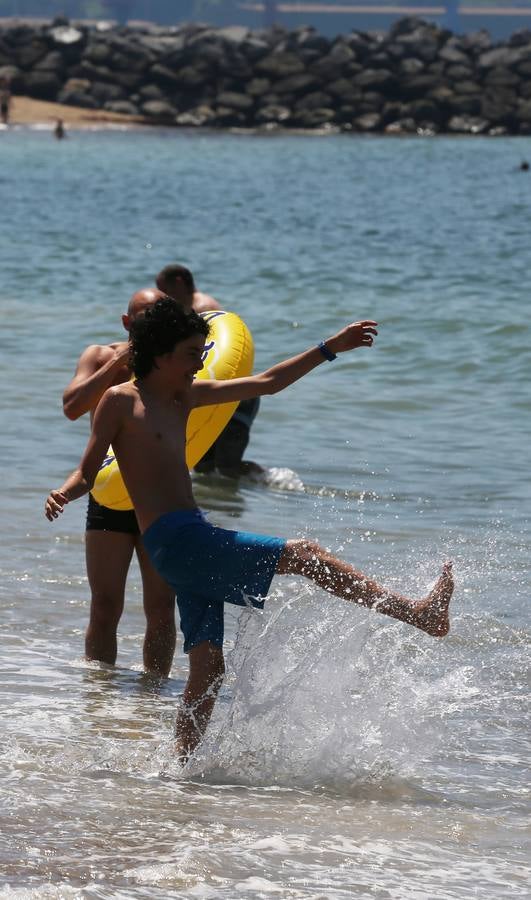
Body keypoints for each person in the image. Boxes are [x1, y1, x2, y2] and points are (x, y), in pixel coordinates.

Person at [46, 299, 454, 761]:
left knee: (208, 667)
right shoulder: (121, 401)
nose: (200, 359)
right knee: (306, 555)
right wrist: (63, 492)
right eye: (191, 351)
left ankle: (179, 773)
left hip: (187, 537)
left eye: (203, 350)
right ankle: (417, 614)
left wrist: (330, 348)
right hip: (176, 541)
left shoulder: (187, 396)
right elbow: (88, 470)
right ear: (160, 355)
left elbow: (267, 383)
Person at [62, 288, 176, 676]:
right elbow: (72, 408)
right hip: (108, 493)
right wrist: (116, 366)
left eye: (159, 314)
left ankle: (155, 697)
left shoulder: (175, 364)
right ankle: (98, 699)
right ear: (127, 322)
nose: (151, 320)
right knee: (105, 604)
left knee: (161, 607)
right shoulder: (99, 355)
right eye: (144, 314)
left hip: (161, 498)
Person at [156, 263, 263, 478]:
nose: (163, 297)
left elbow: (210, 354)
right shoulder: (185, 310)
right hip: (209, 391)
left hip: (234, 393)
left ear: (179, 283)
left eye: (164, 290)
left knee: (227, 466)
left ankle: (267, 478)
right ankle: (218, 505)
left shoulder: (204, 308)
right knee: (203, 465)